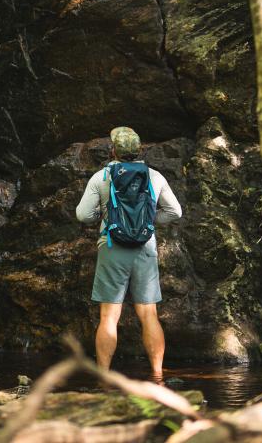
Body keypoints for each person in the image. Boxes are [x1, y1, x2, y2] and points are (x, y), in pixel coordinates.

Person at [74, 126, 182, 377]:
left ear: (112, 151)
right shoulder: (154, 177)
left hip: (112, 247)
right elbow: (176, 212)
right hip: (145, 248)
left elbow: (82, 215)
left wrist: (104, 216)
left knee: (109, 316)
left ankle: (104, 378)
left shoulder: (101, 177)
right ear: (139, 150)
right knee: (149, 314)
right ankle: (157, 376)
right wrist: (149, 222)